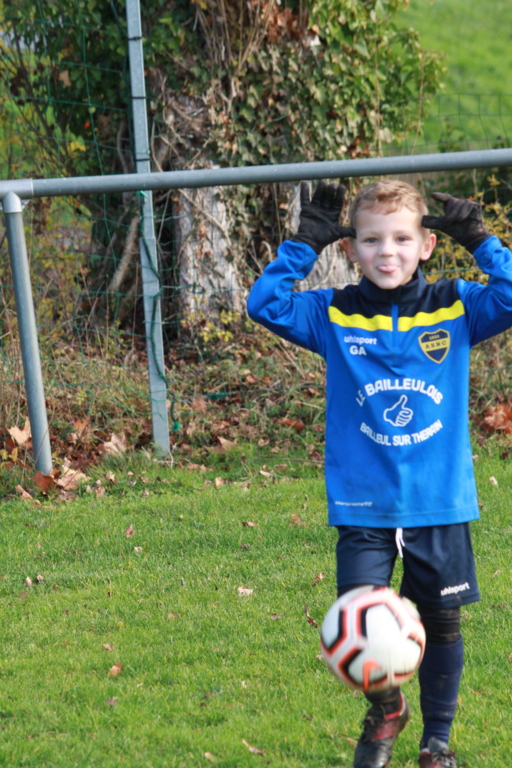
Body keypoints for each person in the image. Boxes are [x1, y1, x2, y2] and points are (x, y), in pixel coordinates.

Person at [247, 178, 512, 768]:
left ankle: (436, 741)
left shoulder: (458, 306)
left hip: (438, 500)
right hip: (362, 502)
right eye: (371, 240)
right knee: (357, 622)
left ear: (426, 245)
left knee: (441, 623)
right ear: (350, 248)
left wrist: (480, 239)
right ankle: (387, 708)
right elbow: (264, 304)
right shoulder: (332, 313)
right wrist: (303, 244)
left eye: (401, 238)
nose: (386, 252)